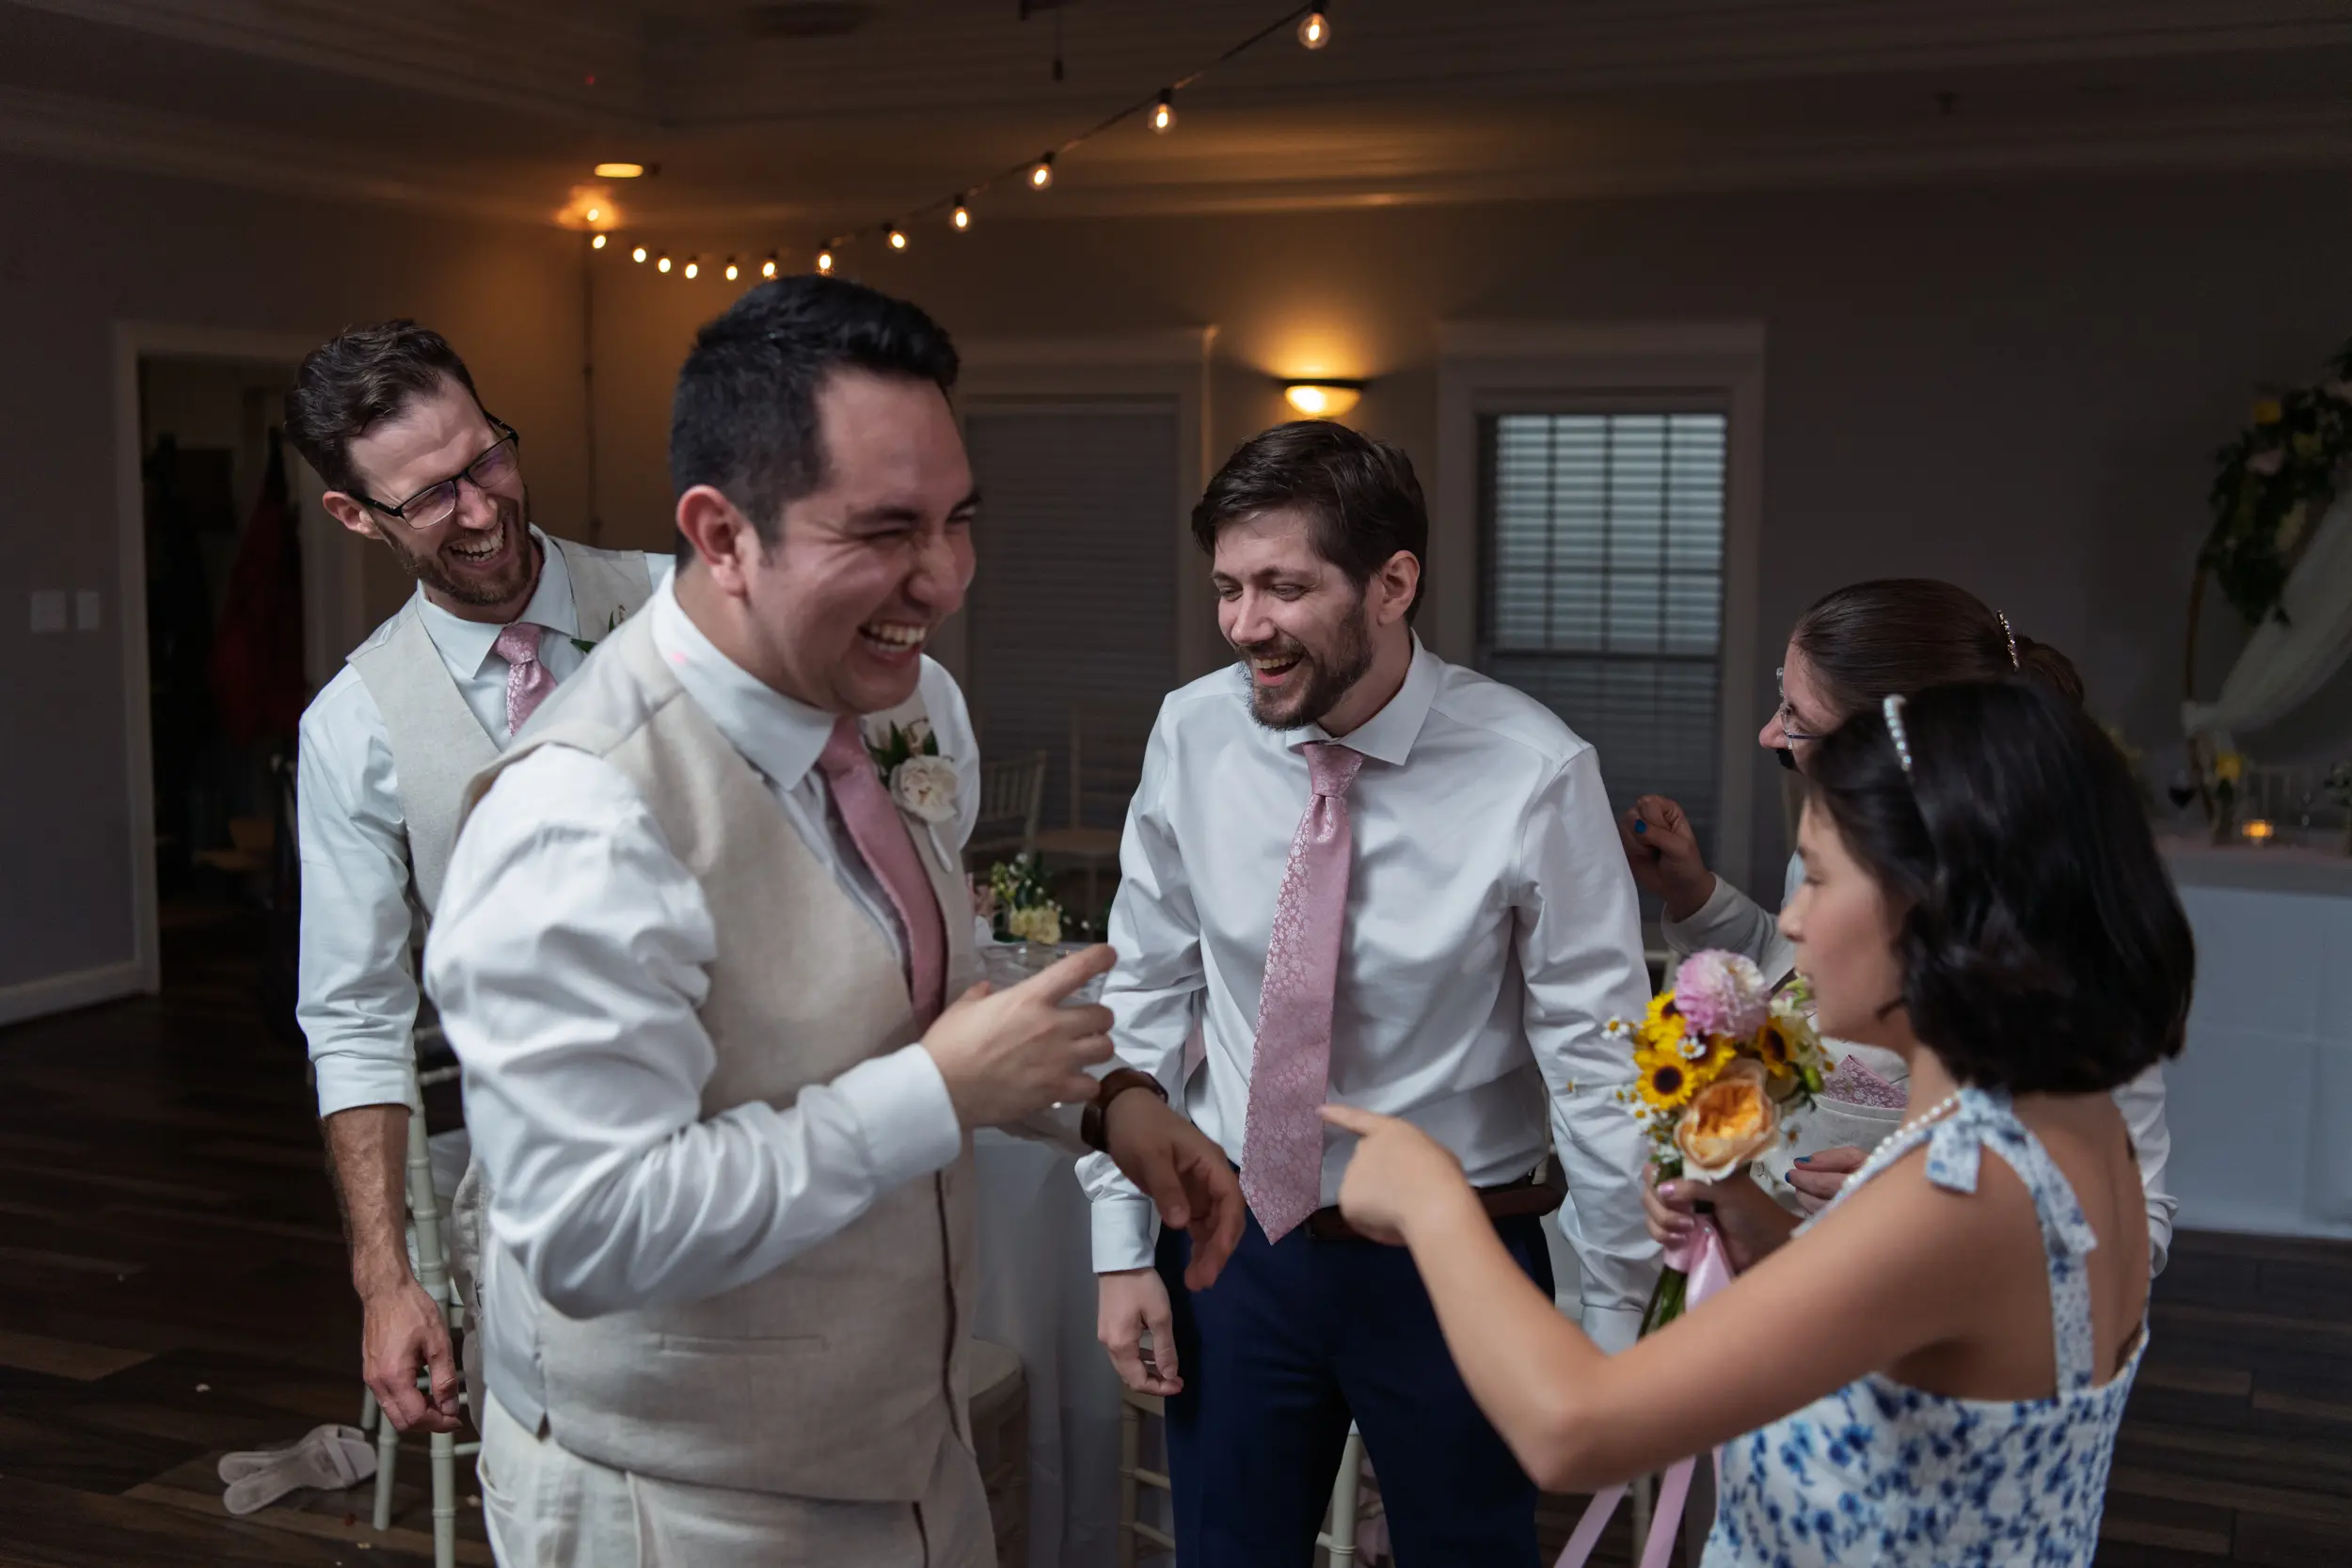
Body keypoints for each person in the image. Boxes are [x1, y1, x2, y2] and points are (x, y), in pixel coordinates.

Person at [423, 276, 1243, 1567]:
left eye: (958, 519)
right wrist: (936, 1093)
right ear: (722, 534)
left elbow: (917, 998)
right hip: (681, 1498)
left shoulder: (909, 709)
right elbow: (591, 1229)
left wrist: (1104, 1105)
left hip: (902, 1442)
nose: (946, 577)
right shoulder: (581, 812)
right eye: (885, 530)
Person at [1327, 677, 2187, 1566]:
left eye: (1817, 875)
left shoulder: (1959, 1191)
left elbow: (1570, 1431)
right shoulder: (2072, 1124)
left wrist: (1435, 1201)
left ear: (1932, 901)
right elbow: (1931, 1346)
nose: (1794, 920)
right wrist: (1758, 1221)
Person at [1079, 420, 1657, 1565]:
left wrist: (1612, 1316)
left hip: (1459, 1259)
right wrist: (1119, 1243)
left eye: (1285, 587)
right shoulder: (1192, 732)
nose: (1245, 624)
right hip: (1235, 1244)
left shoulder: (1536, 772)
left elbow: (1597, 1056)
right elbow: (1143, 988)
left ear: (1393, 584)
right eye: (1229, 588)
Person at [290, 322, 668, 1438]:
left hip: (762, 1131)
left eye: (486, 457)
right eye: (428, 496)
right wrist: (384, 1277)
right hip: (540, 1184)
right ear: (354, 515)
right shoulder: (352, 727)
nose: (480, 508)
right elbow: (355, 1014)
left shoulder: (680, 608)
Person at [1621, 578, 2177, 1271]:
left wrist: (1911, 1214)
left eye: (1796, 715)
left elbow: (2134, 1230)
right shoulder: (1844, 861)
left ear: (1888, 752)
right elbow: (1796, 974)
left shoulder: (2063, 965)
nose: (1769, 735)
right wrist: (1699, 899)